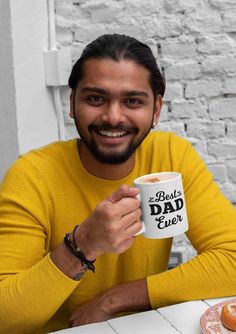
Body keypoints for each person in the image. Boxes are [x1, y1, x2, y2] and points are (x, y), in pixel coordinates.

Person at [0, 33, 236, 334]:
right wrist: (82, 245)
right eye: (95, 99)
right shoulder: (31, 176)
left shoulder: (172, 157)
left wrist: (120, 297)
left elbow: (232, 257)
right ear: (72, 103)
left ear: (156, 109)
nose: (113, 117)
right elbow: (5, 317)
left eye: (132, 101)